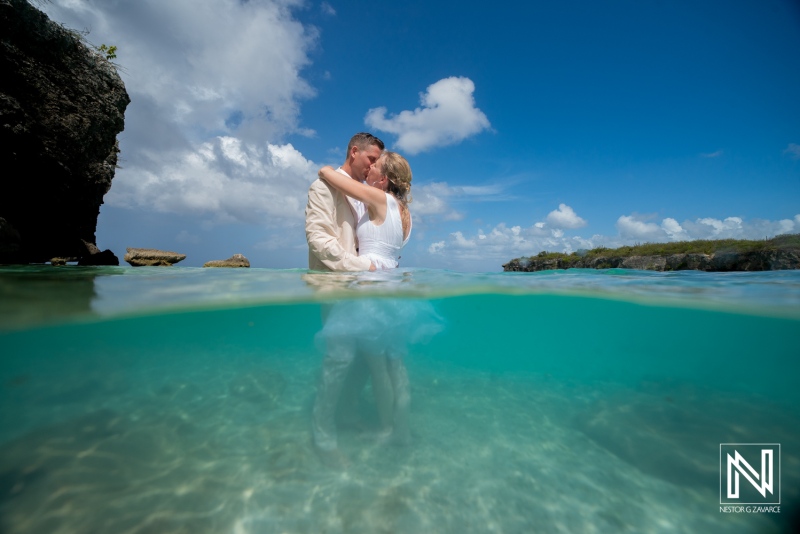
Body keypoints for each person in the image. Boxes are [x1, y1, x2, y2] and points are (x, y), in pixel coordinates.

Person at [315, 151, 427, 449]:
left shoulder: (380, 200)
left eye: (374, 166)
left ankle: (388, 429)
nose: (369, 170)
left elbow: (335, 178)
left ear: (384, 178)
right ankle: (400, 430)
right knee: (396, 368)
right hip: (392, 287)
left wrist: (325, 168)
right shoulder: (405, 212)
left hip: (371, 288)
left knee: (379, 370)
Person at [305, 132, 384, 468]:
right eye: (371, 159)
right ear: (355, 152)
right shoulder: (322, 186)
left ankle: (349, 415)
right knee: (339, 361)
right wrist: (360, 268)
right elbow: (318, 238)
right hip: (336, 286)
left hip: (363, 289)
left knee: (364, 360)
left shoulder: (362, 194)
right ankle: (322, 439)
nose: (374, 166)